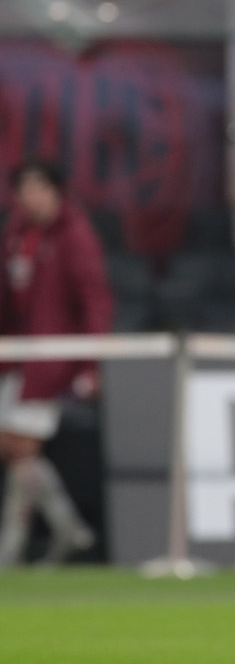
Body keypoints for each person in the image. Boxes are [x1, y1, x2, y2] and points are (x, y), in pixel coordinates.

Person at [0, 160, 113, 568]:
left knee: (21, 447)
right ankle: (68, 528)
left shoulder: (75, 235)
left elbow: (95, 300)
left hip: (51, 359)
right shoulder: (16, 232)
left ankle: (11, 548)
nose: (30, 197)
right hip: (16, 358)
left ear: (55, 191)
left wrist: (90, 363)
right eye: (23, 188)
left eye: (38, 188)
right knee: (16, 450)